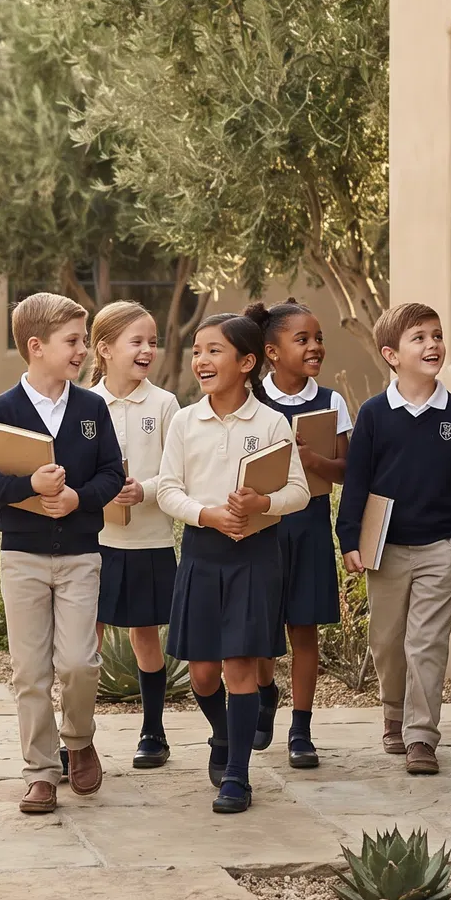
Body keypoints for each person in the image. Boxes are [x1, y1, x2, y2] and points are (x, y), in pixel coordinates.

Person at [0, 292, 126, 814]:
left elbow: (110, 476)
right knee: (30, 671)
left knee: (79, 663)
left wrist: (79, 498)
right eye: (74, 341)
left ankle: (78, 741)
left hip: (81, 556)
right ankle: (40, 772)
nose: (83, 350)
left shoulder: (91, 408)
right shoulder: (3, 409)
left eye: (82, 341)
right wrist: (27, 485)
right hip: (23, 559)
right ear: (36, 347)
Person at [156, 312, 309, 814]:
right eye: (197, 350)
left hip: (254, 557)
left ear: (246, 363)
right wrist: (209, 515)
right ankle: (223, 736)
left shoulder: (271, 422)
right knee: (202, 675)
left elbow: (299, 492)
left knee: (240, 666)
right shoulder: (183, 420)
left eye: (213, 350)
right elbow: (168, 492)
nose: (201, 359)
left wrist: (263, 506)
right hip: (203, 553)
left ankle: (237, 777)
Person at [336, 303, 451, 776]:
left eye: (436, 335)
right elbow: (356, 480)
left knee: (426, 642)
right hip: (385, 549)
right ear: (391, 354)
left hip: (440, 548)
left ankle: (422, 737)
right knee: (386, 639)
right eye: (418, 338)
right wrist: (349, 540)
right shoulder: (376, 415)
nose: (432, 345)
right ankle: (394, 712)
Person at [247, 298, 352, 770]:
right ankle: (266, 692)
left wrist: (314, 462)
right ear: (272, 351)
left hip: (308, 525)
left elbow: (347, 470)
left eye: (318, 339)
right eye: (303, 339)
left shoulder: (330, 402)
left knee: (303, 629)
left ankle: (302, 730)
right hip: (263, 528)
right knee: (262, 632)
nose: (315, 347)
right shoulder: (253, 400)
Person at [89, 300, 183, 769]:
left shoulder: (166, 405)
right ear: (104, 349)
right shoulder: (86, 405)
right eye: (136, 341)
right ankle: (77, 738)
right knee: (89, 640)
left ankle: (154, 732)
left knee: (148, 636)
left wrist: (141, 489)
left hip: (149, 542)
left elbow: (173, 474)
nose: (148, 350)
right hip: (97, 543)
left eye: (152, 341)